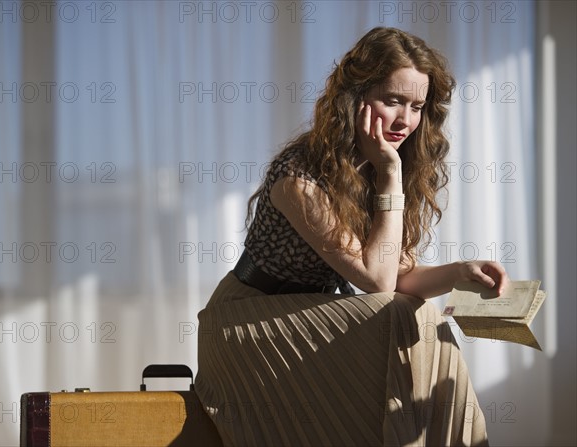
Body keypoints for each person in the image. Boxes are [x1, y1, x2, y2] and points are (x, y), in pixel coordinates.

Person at [194, 27, 508, 446]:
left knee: (420, 314)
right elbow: (376, 283)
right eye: (392, 100)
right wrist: (391, 176)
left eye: (416, 106)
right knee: (403, 313)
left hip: (311, 319)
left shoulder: (369, 169)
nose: (405, 120)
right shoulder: (297, 177)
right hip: (247, 325)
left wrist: (460, 273)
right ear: (355, 98)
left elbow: (393, 273)